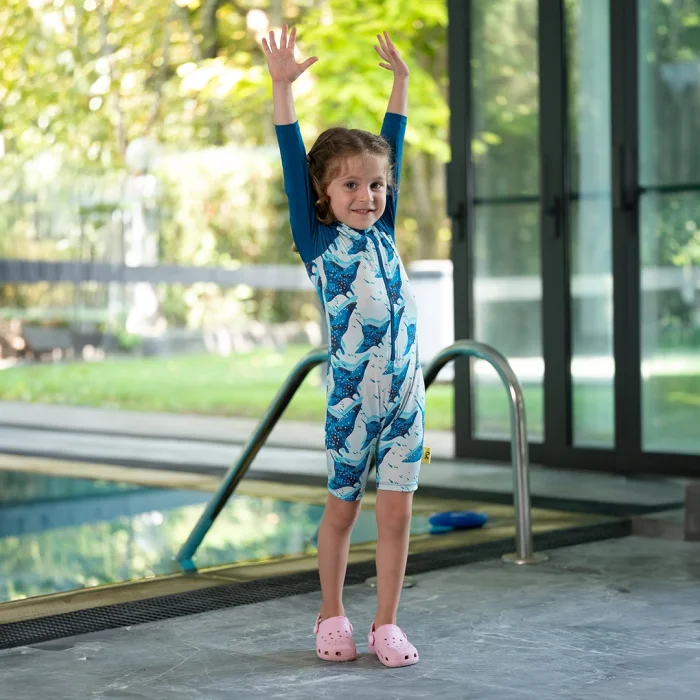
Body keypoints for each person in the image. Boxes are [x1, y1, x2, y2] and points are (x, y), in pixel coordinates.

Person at [263, 25, 424, 668]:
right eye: (351, 185)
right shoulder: (319, 242)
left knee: (397, 518)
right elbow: (290, 156)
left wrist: (401, 83)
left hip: (407, 401)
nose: (368, 195)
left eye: (376, 185)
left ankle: (387, 624)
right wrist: (282, 89)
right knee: (342, 512)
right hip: (352, 403)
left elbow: (394, 146)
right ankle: (331, 612)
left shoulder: (385, 231)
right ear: (324, 196)